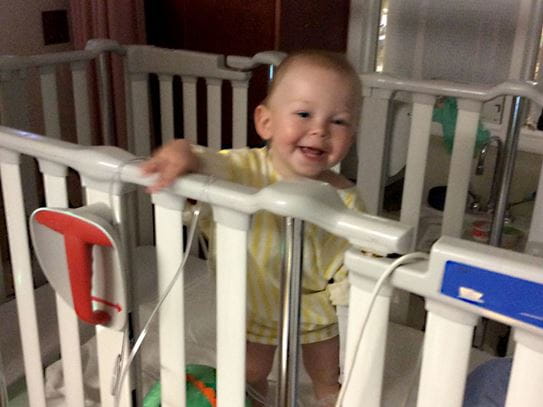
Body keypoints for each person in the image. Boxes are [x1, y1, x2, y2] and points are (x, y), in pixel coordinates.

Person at [141, 50, 364, 406]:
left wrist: (352, 303)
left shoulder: (344, 199)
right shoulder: (245, 170)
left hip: (315, 306)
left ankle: (327, 398)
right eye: (304, 114)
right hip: (253, 302)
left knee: (327, 375)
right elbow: (211, 164)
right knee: (249, 373)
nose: (320, 129)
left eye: (338, 121)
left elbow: (349, 260)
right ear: (266, 122)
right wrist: (186, 153)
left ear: (350, 136)